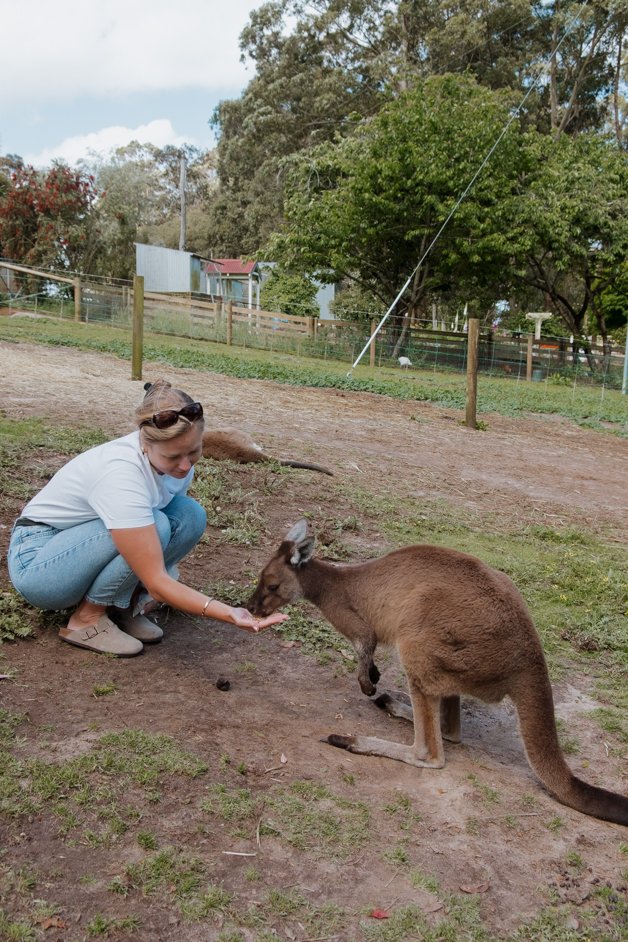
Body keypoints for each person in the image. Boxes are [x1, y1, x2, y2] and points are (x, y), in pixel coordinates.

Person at [7, 379, 287, 656]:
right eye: (174, 456)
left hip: (85, 543)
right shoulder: (121, 474)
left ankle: (122, 606)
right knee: (157, 525)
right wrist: (230, 613)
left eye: (194, 451)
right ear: (144, 443)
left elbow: (162, 532)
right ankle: (87, 619)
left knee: (190, 514)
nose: (185, 465)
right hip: (41, 564)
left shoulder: (176, 462)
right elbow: (156, 578)